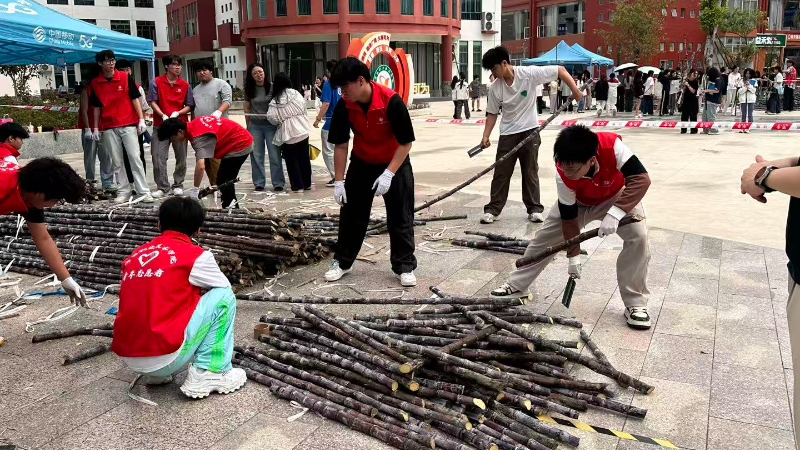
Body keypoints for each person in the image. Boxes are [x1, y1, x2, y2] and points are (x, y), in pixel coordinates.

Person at [491, 125, 653, 330]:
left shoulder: (612, 147)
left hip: (615, 196)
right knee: (544, 239)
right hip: (579, 201)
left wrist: (616, 213)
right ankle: (517, 286)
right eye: (563, 166)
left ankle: (635, 304)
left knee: (639, 237)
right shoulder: (563, 172)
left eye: (573, 169)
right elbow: (568, 218)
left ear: (591, 160)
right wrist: (573, 256)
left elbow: (641, 179)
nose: (567, 172)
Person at [111, 196, 246, 398]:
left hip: (129, 357)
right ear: (197, 230)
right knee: (224, 296)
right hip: (165, 356)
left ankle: (155, 375)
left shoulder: (136, 255)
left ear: (159, 224)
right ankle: (210, 371)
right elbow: (221, 288)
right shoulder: (196, 256)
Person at [323, 57, 418, 287]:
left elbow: (405, 143)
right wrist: (339, 181)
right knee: (351, 215)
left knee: (400, 215)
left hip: (394, 162)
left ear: (361, 80)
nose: (342, 92)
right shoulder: (345, 105)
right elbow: (341, 145)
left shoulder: (391, 101)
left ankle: (404, 265)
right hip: (362, 162)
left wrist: (389, 174)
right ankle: (343, 261)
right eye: (339, 88)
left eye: (345, 86)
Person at [479, 46, 581, 225]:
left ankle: (534, 209)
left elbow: (560, 70)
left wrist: (575, 90)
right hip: (508, 134)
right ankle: (493, 209)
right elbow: (492, 113)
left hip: (530, 131)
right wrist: (485, 136)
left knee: (530, 171)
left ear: (504, 63)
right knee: (501, 172)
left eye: (494, 69)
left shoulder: (528, 74)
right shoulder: (495, 88)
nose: (493, 74)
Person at [0, 157, 88, 306]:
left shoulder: (30, 192)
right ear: (40, 194)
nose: (54, 204)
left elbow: (43, 238)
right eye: (56, 200)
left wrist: (66, 279)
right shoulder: (4, 186)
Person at [88, 50, 151, 203]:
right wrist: (95, 127)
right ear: (100, 63)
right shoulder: (96, 83)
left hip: (128, 123)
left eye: (112, 60)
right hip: (109, 126)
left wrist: (141, 120)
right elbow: (96, 107)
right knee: (116, 161)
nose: (111, 63)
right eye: (107, 61)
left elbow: (135, 99)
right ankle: (124, 191)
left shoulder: (125, 77)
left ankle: (144, 191)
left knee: (135, 157)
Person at [157, 116, 252, 208]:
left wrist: (195, 189)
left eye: (173, 139)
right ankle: (230, 207)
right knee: (223, 180)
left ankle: (231, 209)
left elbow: (200, 166)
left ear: (180, 131)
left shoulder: (198, 137)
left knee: (224, 181)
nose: (174, 141)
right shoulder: (194, 123)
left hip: (240, 144)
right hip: (237, 138)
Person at [148, 54, 194, 198]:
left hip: (179, 127)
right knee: (158, 157)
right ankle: (162, 186)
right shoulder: (156, 82)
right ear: (167, 66)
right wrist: (162, 114)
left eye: (179, 65)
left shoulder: (185, 85)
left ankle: (178, 184)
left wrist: (178, 112)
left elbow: (190, 105)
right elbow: (153, 101)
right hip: (161, 125)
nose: (177, 67)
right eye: (174, 64)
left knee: (181, 157)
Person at [267, 73, 312, 192]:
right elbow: (304, 107)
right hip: (302, 128)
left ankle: (297, 185)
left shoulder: (275, 100)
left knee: (291, 160)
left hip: (287, 132)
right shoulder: (296, 93)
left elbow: (272, 118)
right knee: (304, 157)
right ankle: (307, 183)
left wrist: (281, 120)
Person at [245, 63, 284, 192]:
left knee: (274, 154)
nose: (258, 75)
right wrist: (247, 126)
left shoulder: (272, 87)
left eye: (260, 72)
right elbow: (247, 108)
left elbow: (279, 105)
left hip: (271, 126)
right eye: (255, 73)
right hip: (255, 126)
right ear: (251, 76)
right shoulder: (249, 89)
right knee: (256, 155)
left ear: (264, 72)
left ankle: (278, 182)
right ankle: (259, 182)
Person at [113, 59, 151, 194]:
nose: (126, 72)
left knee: (137, 156)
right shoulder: (113, 86)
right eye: (122, 70)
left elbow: (143, 107)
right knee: (123, 156)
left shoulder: (137, 87)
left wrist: (141, 122)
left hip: (134, 127)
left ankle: (141, 183)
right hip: (118, 127)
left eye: (127, 69)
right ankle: (130, 183)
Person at [192, 61, 232, 186]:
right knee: (206, 161)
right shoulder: (195, 90)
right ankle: (213, 185)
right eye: (199, 71)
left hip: (218, 127)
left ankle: (221, 185)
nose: (202, 73)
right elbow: (194, 109)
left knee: (216, 158)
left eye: (204, 70)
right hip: (201, 130)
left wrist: (218, 112)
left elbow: (227, 101)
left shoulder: (221, 84)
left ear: (211, 71)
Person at [77, 80, 114, 190]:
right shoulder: (87, 90)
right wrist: (87, 128)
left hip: (103, 127)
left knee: (106, 156)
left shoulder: (106, 88)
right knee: (89, 157)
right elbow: (84, 111)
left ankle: (107, 182)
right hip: (90, 129)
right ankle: (90, 181)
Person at [314, 60, 343, 187]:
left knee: (328, 151)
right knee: (341, 149)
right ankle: (342, 175)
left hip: (331, 122)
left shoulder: (329, 84)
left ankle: (336, 177)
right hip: (344, 121)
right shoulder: (344, 83)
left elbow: (326, 103)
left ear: (328, 70)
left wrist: (318, 119)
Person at [702, 67, 721, 135]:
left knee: (711, 116)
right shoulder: (711, 80)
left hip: (713, 101)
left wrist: (706, 90)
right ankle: (705, 129)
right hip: (708, 100)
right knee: (705, 116)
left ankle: (713, 130)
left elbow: (717, 90)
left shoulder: (718, 80)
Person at [680, 69, 700, 134]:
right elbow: (681, 89)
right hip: (686, 100)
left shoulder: (695, 82)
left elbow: (693, 91)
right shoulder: (686, 80)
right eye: (694, 73)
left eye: (696, 73)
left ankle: (693, 130)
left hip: (693, 100)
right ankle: (683, 130)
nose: (695, 75)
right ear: (690, 74)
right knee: (684, 116)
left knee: (693, 116)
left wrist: (688, 85)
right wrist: (683, 84)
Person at [737, 68, 757, 133]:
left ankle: (749, 127)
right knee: (743, 114)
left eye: (749, 73)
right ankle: (743, 127)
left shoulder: (754, 81)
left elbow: (754, 90)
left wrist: (749, 86)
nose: (747, 75)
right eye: (746, 73)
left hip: (751, 99)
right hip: (743, 99)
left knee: (750, 114)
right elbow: (739, 91)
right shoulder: (741, 81)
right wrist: (745, 87)